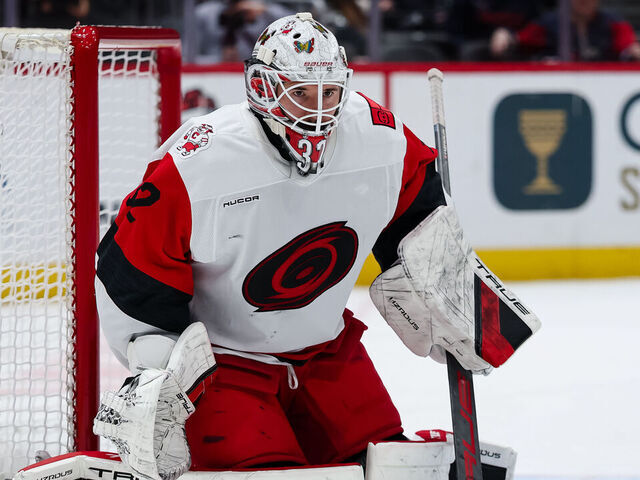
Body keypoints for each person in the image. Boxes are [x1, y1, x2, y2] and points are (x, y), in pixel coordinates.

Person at [91, 12, 538, 479]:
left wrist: (453, 294)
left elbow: (420, 218)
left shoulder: (379, 139)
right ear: (265, 89)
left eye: (329, 93)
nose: (319, 109)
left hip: (327, 351)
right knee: (267, 471)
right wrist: (159, 367)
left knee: (387, 463)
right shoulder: (202, 161)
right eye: (301, 93)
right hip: (225, 367)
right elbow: (132, 265)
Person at [491, 0, 640, 61]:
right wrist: (505, 35)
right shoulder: (549, 24)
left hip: (604, 91)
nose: (584, 1)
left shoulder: (615, 24)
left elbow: (629, 48)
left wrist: (634, 51)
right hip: (558, 93)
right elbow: (517, 41)